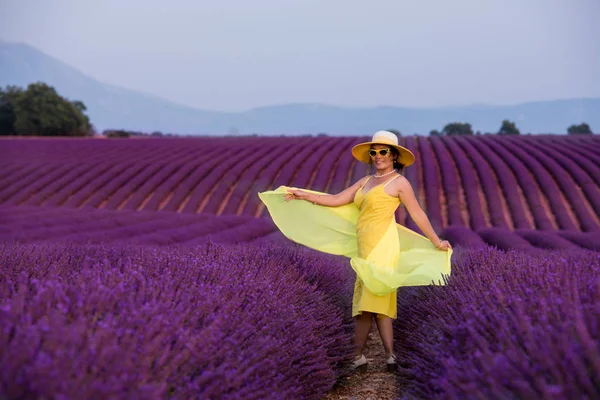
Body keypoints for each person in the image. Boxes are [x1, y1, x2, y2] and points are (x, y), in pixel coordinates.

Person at [258, 130, 452, 373]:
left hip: (383, 245)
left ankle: (370, 356)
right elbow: (337, 200)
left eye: (383, 152)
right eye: (374, 152)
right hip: (364, 246)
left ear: (393, 156)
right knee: (370, 303)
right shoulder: (365, 182)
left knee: (372, 301)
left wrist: (435, 241)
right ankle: (378, 356)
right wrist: (302, 195)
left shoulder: (400, 183)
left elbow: (418, 214)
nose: (377, 156)